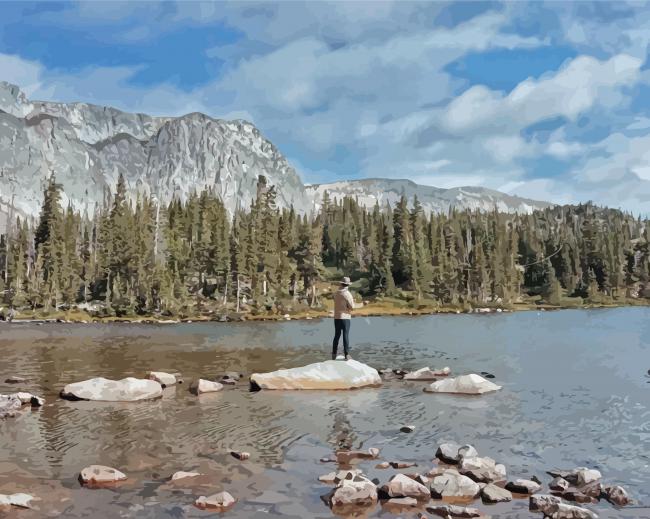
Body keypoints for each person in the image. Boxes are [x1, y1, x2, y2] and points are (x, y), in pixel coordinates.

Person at [332, 276, 361, 360]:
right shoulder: (347, 294)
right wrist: (360, 304)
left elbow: (337, 302)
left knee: (336, 336)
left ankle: (334, 354)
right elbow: (352, 307)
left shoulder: (336, 293)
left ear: (341, 283)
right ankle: (347, 355)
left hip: (336, 317)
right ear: (348, 285)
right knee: (345, 335)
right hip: (345, 317)